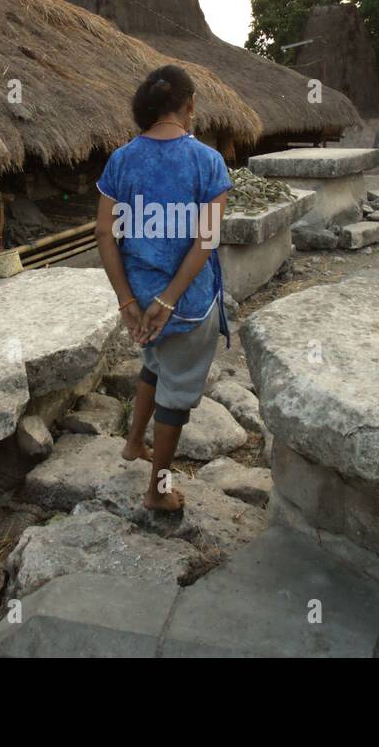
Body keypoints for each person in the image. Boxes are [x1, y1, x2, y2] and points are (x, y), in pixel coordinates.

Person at [94, 65, 231, 512]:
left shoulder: (122, 160)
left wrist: (127, 301)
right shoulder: (208, 163)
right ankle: (157, 490)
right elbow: (205, 239)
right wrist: (170, 301)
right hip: (186, 305)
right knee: (176, 395)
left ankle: (135, 443)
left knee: (153, 364)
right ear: (190, 105)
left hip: (140, 299)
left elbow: (104, 235)